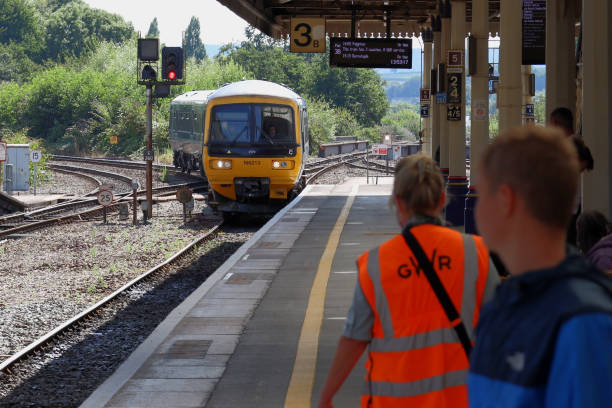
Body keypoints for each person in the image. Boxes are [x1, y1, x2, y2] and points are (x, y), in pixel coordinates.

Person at [318, 154, 499, 408]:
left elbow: (354, 338)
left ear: (397, 203)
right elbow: (501, 327)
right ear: (443, 200)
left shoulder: (376, 265)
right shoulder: (475, 253)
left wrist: (327, 395)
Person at [469, 126, 612, 408]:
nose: (476, 210)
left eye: (481, 194)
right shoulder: (503, 303)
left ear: (506, 201)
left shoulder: (584, 322)